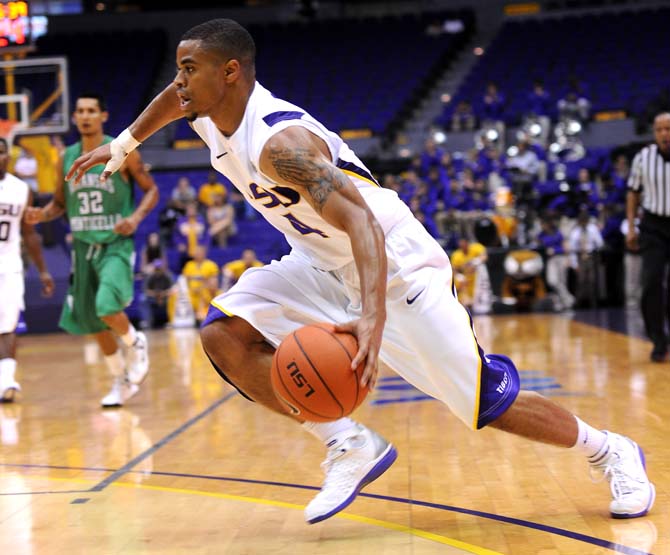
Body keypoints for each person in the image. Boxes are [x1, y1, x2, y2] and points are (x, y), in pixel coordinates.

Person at [67, 19, 655, 524]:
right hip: (321, 259)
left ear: (231, 73)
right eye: (177, 69)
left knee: (480, 403)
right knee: (225, 333)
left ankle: (610, 450)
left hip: (393, 263)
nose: (179, 82)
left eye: (190, 69)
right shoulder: (205, 109)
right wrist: (122, 144)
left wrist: (369, 320)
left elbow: (365, 228)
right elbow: (173, 102)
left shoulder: (279, 143)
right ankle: (348, 441)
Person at [25, 92, 159, 407]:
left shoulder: (123, 150)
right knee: (91, 322)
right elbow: (59, 204)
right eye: (80, 111)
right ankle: (121, 383)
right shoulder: (66, 157)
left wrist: (135, 218)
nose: (85, 116)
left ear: (103, 116)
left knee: (106, 307)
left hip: (114, 244)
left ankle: (136, 342)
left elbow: (151, 190)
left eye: (91, 111)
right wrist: (41, 215)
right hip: (82, 248)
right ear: (74, 118)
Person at [0, 137, 55, 401]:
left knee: (8, 325)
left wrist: (43, 270)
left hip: (9, 265)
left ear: (8, 156)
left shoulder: (21, 189)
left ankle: (7, 381)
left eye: (1, 153)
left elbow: (29, 233)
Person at [626, 112, 670, 362]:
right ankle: (657, 339)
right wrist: (631, 227)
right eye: (660, 130)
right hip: (653, 225)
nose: (665, 134)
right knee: (651, 283)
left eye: (669, 129)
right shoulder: (643, 158)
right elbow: (633, 193)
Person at [181, 244, 219, 324]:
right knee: (180, 296)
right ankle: (181, 320)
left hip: (205, 291)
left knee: (206, 295)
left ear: (204, 253)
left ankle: (202, 317)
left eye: (199, 252)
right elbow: (184, 280)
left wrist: (203, 287)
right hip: (191, 292)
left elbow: (214, 281)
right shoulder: (189, 265)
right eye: (195, 252)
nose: (197, 254)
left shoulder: (211, 265)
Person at [141, 259, 174, 329]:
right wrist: (156, 294)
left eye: (159, 269)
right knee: (143, 299)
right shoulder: (150, 276)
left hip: (165, 297)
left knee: (173, 298)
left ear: (162, 268)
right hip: (153, 297)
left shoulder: (167, 275)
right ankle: (147, 322)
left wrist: (163, 294)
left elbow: (172, 289)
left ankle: (171, 321)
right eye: (156, 269)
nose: (158, 271)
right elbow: (146, 290)